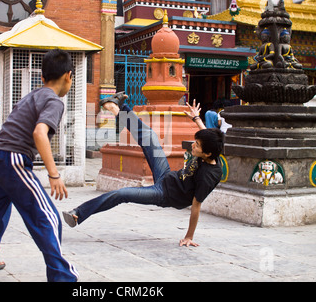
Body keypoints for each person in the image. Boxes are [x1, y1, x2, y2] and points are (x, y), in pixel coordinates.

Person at [0, 49, 78, 282]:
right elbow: (39, 133)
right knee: (49, 218)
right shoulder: (55, 101)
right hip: (12, 158)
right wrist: (54, 175)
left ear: (43, 78)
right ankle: (63, 277)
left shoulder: (32, 95)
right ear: (69, 76)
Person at [63, 95, 223, 248]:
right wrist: (196, 118)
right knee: (150, 136)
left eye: (197, 145)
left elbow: (196, 206)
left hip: (165, 194)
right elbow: (208, 135)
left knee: (122, 194)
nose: (193, 146)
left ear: (207, 153)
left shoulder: (208, 176)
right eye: (195, 142)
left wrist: (189, 236)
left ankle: (78, 213)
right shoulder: (211, 149)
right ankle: (117, 107)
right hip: (168, 176)